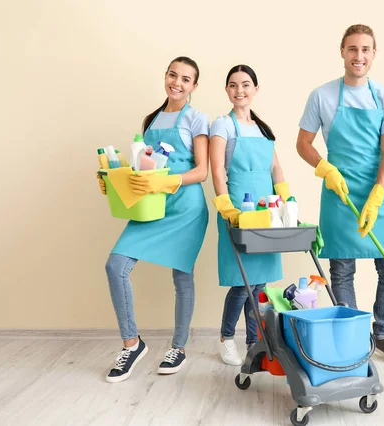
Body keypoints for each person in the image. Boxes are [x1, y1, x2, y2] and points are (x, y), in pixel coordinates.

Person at [296, 25, 384, 367]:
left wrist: (377, 194)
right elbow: (303, 143)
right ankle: (355, 339)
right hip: (339, 192)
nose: (358, 56)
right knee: (342, 271)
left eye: (365, 49)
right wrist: (325, 169)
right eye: (352, 49)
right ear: (342, 52)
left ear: (374, 54)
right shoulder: (323, 95)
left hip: (377, 190)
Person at [97, 56, 210, 382]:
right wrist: (114, 179)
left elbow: (201, 171)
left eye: (186, 79)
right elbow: (142, 168)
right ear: (166, 77)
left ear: (194, 86)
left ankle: (179, 347)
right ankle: (132, 344)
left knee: (182, 277)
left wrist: (167, 181)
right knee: (115, 266)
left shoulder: (196, 119)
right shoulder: (151, 120)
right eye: (173, 75)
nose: (177, 82)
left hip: (186, 209)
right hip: (152, 207)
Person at [210, 65, 290, 365]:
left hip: (265, 211)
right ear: (227, 90)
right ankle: (226, 338)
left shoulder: (262, 129)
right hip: (237, 211)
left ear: (256, 89)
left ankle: (254, 342)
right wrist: (225, 205)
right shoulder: (222, 125)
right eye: (233, 85)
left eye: (245, 84)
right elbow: (217, 168)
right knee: (242, 282)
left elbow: (275, 167)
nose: (239, 90)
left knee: (259, 284)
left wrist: (285, 195)